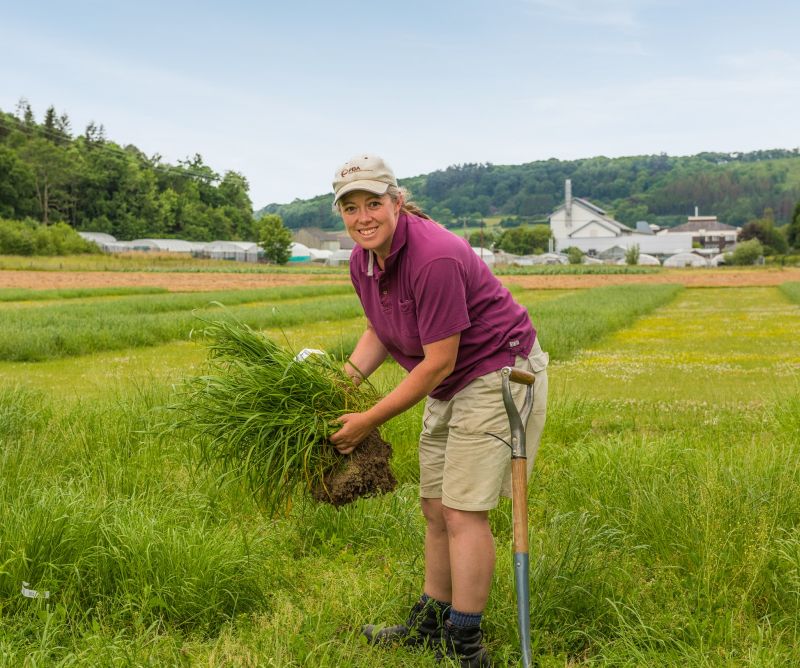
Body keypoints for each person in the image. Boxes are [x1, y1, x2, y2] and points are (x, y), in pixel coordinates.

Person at [329, 154, 548, 668]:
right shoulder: (363, 260)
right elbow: (379, 331)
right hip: (451, 382)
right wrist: (338, 388)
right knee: (434, 507)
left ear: (397, 202)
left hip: (497, 371)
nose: (363, 217)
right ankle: (432, 620)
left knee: (463, 510)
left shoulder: (435, 257)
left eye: (374, 204)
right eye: (351, 207)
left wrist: (367, 420)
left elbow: (436, 362)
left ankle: (465, 641)